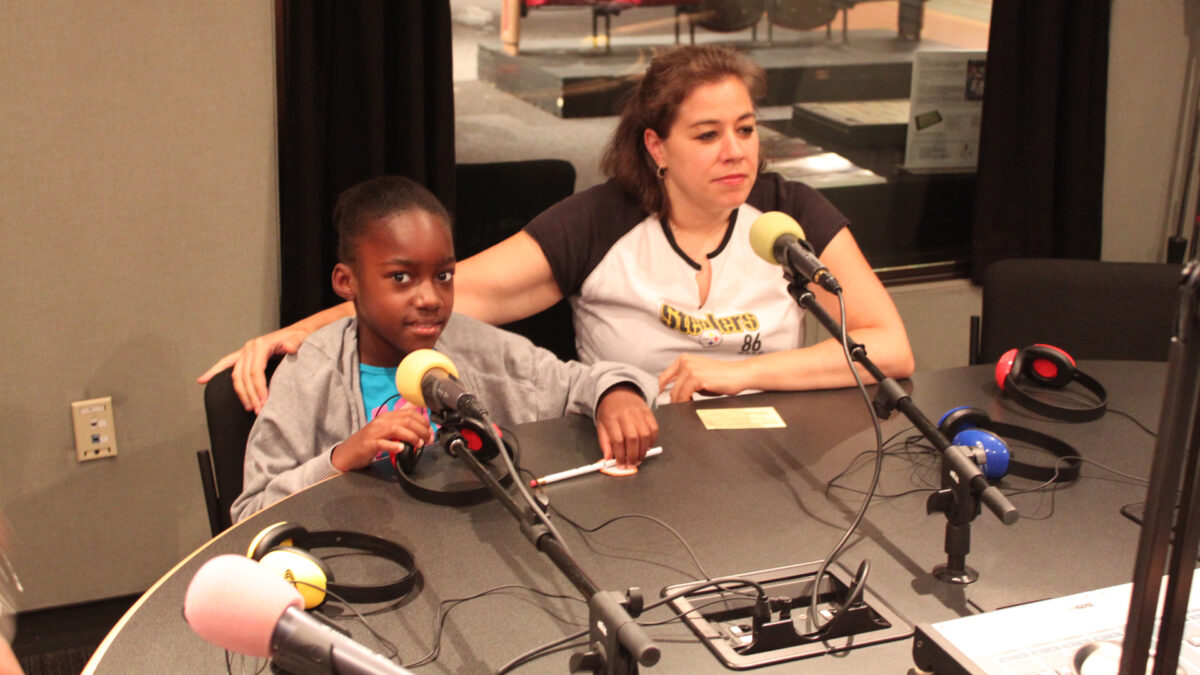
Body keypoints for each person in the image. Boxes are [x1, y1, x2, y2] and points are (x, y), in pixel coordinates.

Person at [201, 44, 913, 410]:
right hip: (637, 447)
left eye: (747, 129)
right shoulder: (600, 221)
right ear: (657, 148)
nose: (737, 152)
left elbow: (889, 347)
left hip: (767, 443)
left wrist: (740, 376)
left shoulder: (791, 213)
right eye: (708, 135)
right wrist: (298, 331)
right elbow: (450, 293)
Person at [230, 176, 658, 523]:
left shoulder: (473, 345)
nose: (430, 298)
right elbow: (249, 513)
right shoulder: (311, 372)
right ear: (347, 282)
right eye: (401, 278)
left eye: (444, 276)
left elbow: (578, 382)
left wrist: (617, 393)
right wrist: (342, 458)